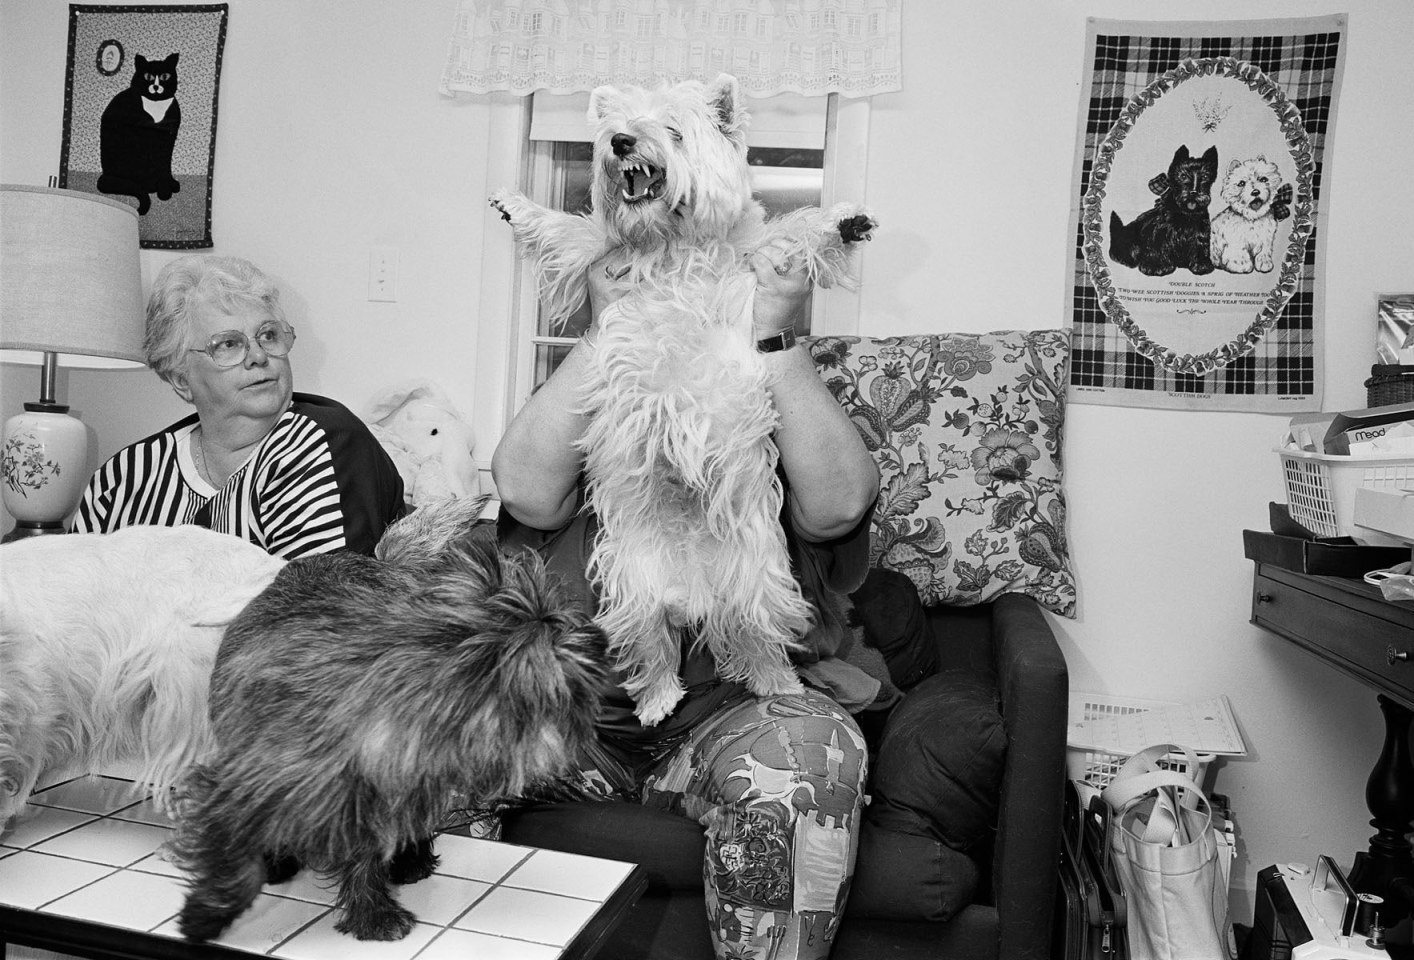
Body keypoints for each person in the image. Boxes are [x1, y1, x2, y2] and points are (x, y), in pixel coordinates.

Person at [492, 245, 881, 960]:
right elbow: (523, 489)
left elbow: (838, 505)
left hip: (728, 713)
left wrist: (772, 337)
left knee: (812, 756)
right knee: (433, 723)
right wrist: (607, 329)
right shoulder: (610, 388)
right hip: (571, 719)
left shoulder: (764, 391)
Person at [72, 255, 405, 558]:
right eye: (229, 344)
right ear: (181, 379)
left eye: (269, 335)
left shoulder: (320, 443)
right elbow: (66, 601)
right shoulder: (124, 478)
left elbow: (316, 612)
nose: (259, 357)